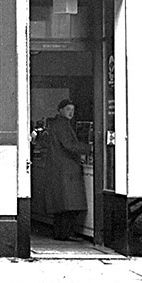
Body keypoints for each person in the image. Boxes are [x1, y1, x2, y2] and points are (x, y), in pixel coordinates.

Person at [43, 98, 91, 241]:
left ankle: (61, 233)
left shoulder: (57, 124)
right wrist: (90, 148)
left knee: (63, 206)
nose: (71, 112)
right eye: (68, 109)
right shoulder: (62, 125)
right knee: (70, 205)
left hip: (61, 169)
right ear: (60, 110)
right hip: (66, 170)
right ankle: (65, 234)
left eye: (73, 110)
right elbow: (69, 145)